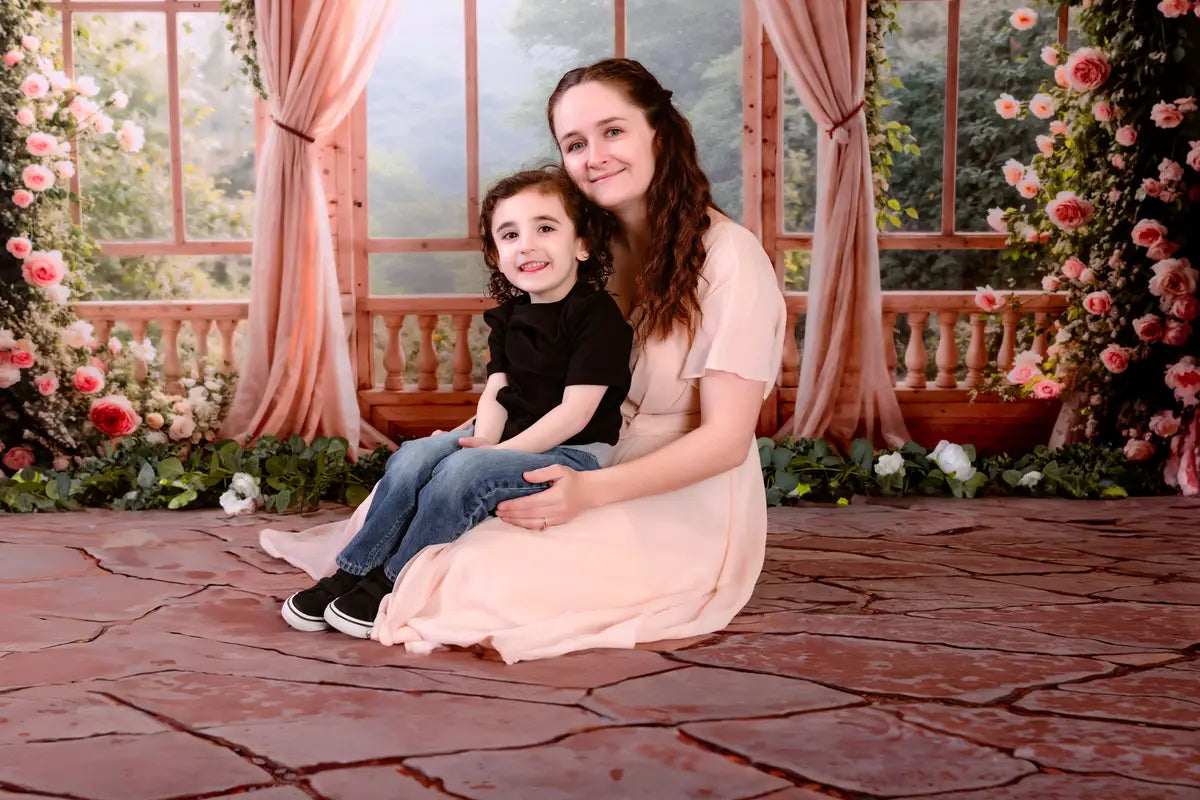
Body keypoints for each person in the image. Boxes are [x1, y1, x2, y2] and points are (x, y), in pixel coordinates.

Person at [260, 58, 786, 662]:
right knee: (416, 480)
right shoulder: (582, 247)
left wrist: (587, 494)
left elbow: (724, 441)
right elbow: (528, 372)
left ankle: (391, 578)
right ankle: (364, 573)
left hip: (672, 480)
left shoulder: (730, 259)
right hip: (563, 438)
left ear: (658, 135)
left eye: (614, 132)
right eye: (575, 143)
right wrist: (484, 436)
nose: (596, 156)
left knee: (471, 577)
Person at [280, 166, 633, 638]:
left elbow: (575, 413)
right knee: (415, 456)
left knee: (463, 473)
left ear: (582, 245)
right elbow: (497, 389)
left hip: (572, 449)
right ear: (496, 254)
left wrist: (498, 454)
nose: (526, 244)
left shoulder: (596, 316)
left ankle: (394, 580)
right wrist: (484, 435)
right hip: (505, 437)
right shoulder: (510, 317)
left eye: (545, 228)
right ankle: (352, 570)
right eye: (509, 234)